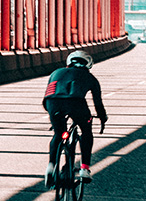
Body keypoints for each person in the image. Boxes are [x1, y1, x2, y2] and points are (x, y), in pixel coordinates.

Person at [44, 50, 107, 187]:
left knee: (58, 134)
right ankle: (84, 168)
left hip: (52, 103)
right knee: (86, 131)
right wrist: (102, 117)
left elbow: (49, 93)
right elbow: (98, 103)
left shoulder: (56, 72)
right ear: (88, 65)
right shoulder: (90, 78)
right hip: (76, 103)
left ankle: (51, 167)